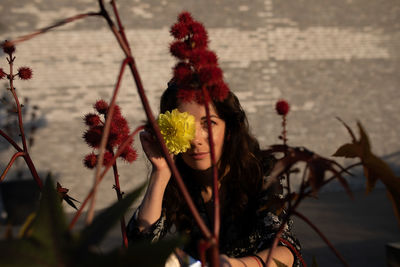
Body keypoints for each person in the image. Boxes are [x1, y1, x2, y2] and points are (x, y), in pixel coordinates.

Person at [127, 80, 302, 266]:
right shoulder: (177, 178)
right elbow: (139, 249)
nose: (196, 140)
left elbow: (285, 248)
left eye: (208, 123)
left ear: (229, 129)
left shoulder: (262, 170)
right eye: (184, 126)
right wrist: (160, 172)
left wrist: (235, 265)